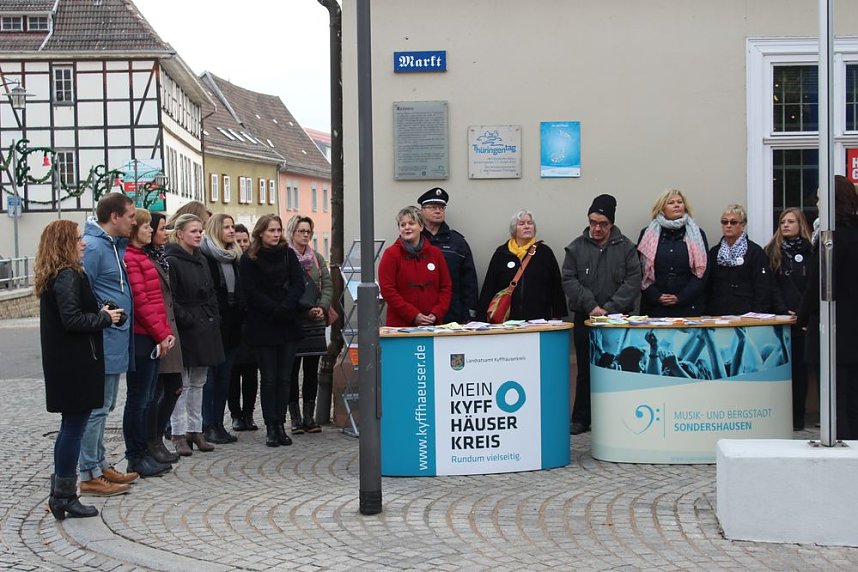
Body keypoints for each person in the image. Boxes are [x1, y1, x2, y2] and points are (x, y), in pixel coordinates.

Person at [36, 220, 125, 519]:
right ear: (64, 243)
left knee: (70, 428)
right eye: (77, 238)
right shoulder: (67, 276)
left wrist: (101, 313)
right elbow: (72, 320)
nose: (84, 242)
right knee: (73, 429)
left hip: (69, 363)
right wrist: (105, 318)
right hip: (75, 364)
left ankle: (62, 494)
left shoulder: (60, 275)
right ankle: (63, 495)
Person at [562, 194, 642, 435]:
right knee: (585, 369)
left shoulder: (627, 248)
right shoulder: (576, 247)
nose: (596, 228)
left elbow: (633, 281)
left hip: (616, 320)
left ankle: (619, 417)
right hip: (585, 317)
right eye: (592, 222)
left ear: (611, 223)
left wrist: (609, 308)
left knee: (618, 368)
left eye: (602, 223)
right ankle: (581, 418)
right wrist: (591, 306)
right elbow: (568, 279)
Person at [79, 192, 140, 496]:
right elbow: (81, 291)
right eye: (130, 216)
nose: (135, 222)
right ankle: (88, 472)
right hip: (101, 341)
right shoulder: (93, 249)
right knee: (97, 408)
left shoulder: (113, 247)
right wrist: (103, 312)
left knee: (106, 406)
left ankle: (100, 464)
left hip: (115, 340)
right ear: (114, 217)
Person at [799, 175, 858, 439]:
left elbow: (817, 285)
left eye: (821, 198)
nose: (817, 203)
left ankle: (843, 453)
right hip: (850, 326)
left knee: (837, 401)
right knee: (853, 399)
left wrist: (801, 315)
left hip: (834, 327)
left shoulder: (829, 240)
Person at [239, 214, 306, 447]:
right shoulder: (249, 258)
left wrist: (286, 306)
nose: (276, 234)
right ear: (260, 233)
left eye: (278, 230)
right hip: (263, 324)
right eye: (271, 230)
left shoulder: (288, 255)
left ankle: (281, 423)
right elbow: (250, 291)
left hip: (287, 321)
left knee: (285, 377)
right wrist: (273, 309)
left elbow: (299, 283)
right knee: (268, 378)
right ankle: (271, 425)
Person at [165, 214, 225, 453]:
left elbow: (211, 291)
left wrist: (213, 315)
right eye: (193, 231)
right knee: (183, 384)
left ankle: (195, 430)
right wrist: (187, 318)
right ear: (180, 234)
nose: (199, 235)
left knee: (199, 382)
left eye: (200, 231)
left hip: (205, 325)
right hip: (187, 327)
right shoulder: (172, 260)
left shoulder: (201, 259)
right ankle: (178, 433)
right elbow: (172, 298)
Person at [122, 209, 176, 477]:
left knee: (147, 398)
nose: (148, 229)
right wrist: (159, 334)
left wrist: (164, 333)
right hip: (142, 337)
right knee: (139, 399)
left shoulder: (141, 256)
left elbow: (156, 302)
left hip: (152, 336)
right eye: (144, 226)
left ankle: (143, 451)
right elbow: (142, 303)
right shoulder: (131, 258)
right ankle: (136, 455)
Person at [766, 208, 813, 430]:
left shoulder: (811, 251)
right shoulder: (772, 251)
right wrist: (784, 310)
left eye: (791, 221)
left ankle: (798, 418)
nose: (785, 225)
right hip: (780, 318)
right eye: (782, 221)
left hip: (803, 320)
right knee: (779, 370)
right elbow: (771, 288)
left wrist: (803, 312)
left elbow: (813, 286)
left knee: (800, 372)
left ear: (800, 224)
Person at [144, 212, 186, 459]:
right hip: (157, 332)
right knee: (158, 391)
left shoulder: (160, 257)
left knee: (174, 388)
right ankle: (153, 441)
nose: (164, 233)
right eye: (161, 228)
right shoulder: (146, 259)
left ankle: (157, 438)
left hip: (169, 330)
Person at [285, 216, 333, 434]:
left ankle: (309, 417)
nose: (305, 235)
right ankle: (294, 418)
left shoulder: (317, 258)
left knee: (311, 370)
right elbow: (286, 288)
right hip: (295, 320)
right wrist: (304, 309)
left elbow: (328, 285)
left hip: (316, 321)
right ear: (292, 232)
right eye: (301, 231)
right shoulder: (286, 258)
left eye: (308, 231)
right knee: (292, 371)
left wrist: (321, 308)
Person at [477, 209, 566, 322]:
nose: (527, 226)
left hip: (538, 320)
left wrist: (557, 316)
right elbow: (489, 286)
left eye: (530, 223)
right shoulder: (501, 253)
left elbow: (556, 287)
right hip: (507, 321)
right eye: (522, 223)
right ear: (514, 229)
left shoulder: (544, 252)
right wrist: (481, 318)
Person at [200, 213, 243, 445]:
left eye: (232, 226)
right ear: (216, 229)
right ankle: (208, 424)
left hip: (232, 324)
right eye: (226, 227)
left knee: (224, 376)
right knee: (210, 378)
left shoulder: (235, 256)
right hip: (212, 324)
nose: (231, 231)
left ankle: (218, 422)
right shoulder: (206, 255)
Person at [637, 189, 709, 317]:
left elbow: (703, 271)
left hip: (689, 307)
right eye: (671, 202)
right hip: (655, 308)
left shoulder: (697, 234)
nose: (677, 205)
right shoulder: (648, 234)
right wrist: (656, 296)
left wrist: (681, 297)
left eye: (680, 202)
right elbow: (639, 270)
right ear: (661, 209)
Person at [379, 206, 452, 327]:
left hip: (432, 324)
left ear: (421, 227)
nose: (407, 227)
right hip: (401, 326)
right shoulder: (391, 254)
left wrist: (436, 313)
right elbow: (388, 290)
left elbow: (446, 287)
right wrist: (413, 315)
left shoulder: (435, 254)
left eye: (411, 223)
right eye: (403, 225)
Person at [418, 187, 479, 324]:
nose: (438, 211)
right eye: (433, 207)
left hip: (452, 313)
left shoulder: (458, 242)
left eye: (441, 207)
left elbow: (469, 283)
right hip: (420, 315)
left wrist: (470, 315)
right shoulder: (414, 240)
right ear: (422, 211)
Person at [706, 204, 773, 316]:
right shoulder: (714, 252)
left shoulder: (754, 252)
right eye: (724, 222)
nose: (728, 226)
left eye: (733, 222)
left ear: (743, 225)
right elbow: (708, 286)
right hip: (718, 314)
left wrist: (757, 313)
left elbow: (762, 287)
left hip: (747, 313)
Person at [228, 223, 259, 432]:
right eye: (237, 241)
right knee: (233, 373)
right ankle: (236, 415)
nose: (241, 244)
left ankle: (249, 413)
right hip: (233, 325)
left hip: (252, 325)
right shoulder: (228, 262)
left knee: (251, 373)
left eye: (244, 240)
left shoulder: (253, 261)